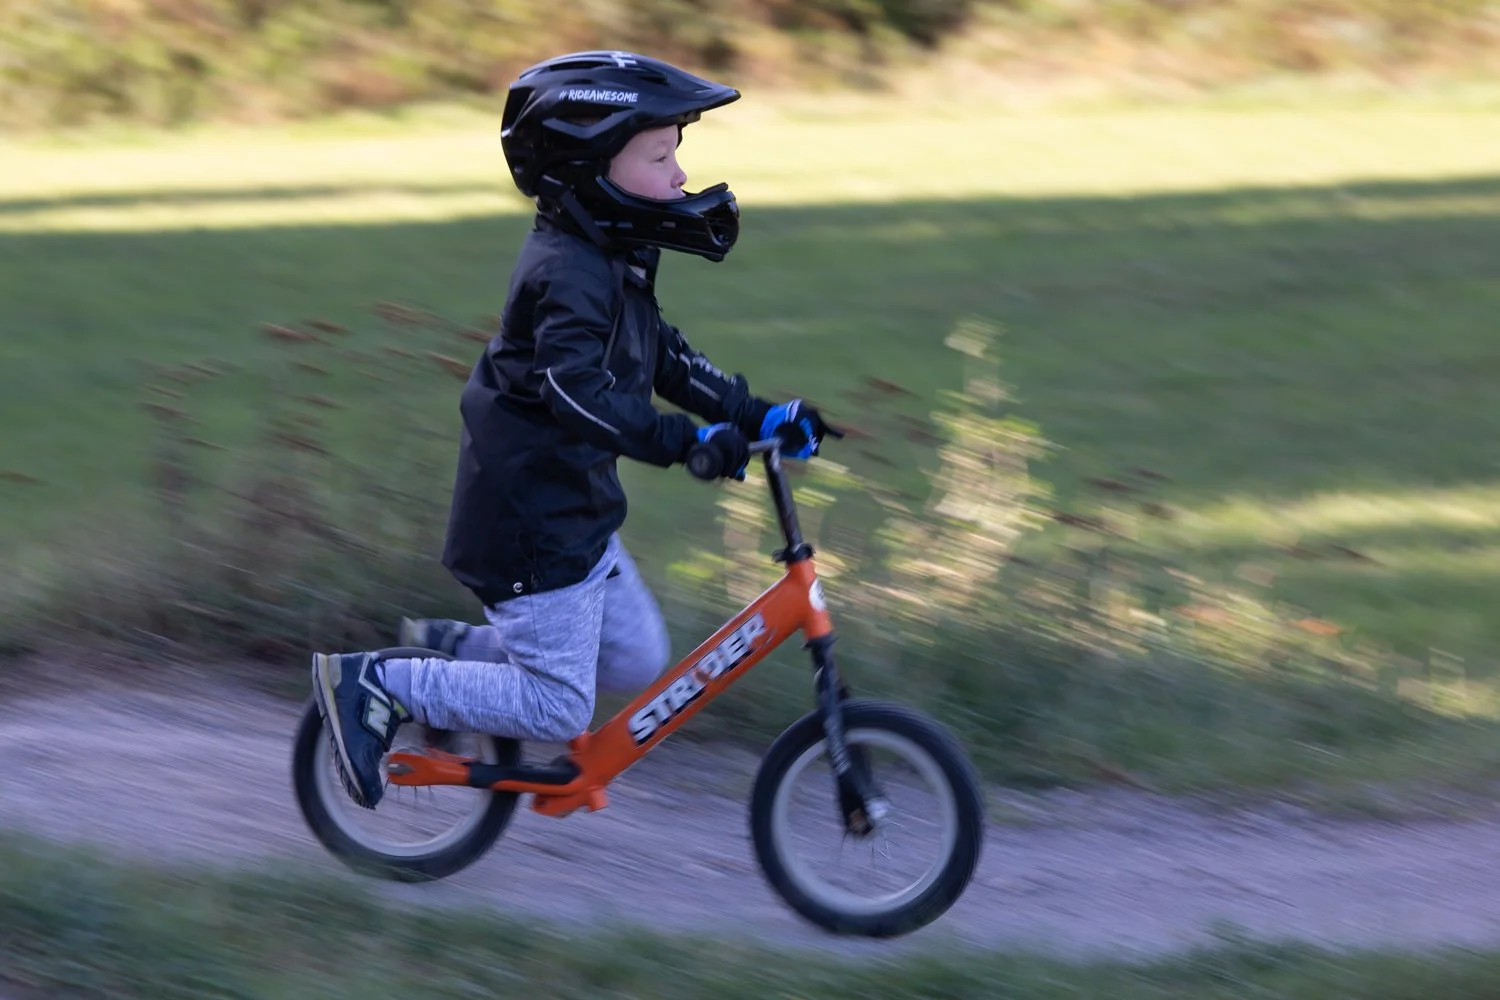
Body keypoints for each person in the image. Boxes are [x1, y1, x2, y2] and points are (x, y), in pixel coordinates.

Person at [311, 50, 840, 809]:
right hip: (528, 519)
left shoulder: (615, 257)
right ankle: (378, 683)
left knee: (637, 656)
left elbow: (663, 357)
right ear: (589, 170)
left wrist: (751, 414)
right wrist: (685, 445)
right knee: (558, 709)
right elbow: (574, 392)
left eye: (677, 153)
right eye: (660, 156)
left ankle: (454, 655)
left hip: (576, 509)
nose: (682, 177)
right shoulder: (568, 272)